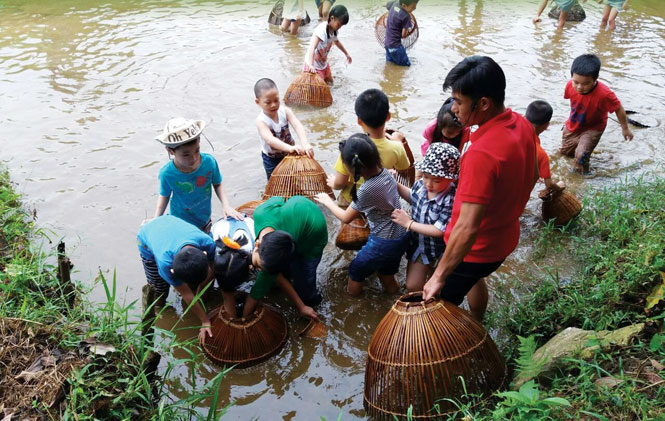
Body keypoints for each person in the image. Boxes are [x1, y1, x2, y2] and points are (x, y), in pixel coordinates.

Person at [422, 56, 538, 323]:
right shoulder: (522, 124)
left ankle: (449, 348)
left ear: (483, 103)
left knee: (437, 307)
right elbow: (531, 175)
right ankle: (477, 320)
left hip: (475, 250)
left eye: (459, 102)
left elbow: (467, 227)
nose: (453, 108)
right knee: (475, 280)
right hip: (505, 238)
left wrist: (438, 276)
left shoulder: (482, 154)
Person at [316, 134, 408, 296]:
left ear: (353, 169)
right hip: (399, 235)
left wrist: (327, 202)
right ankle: (395, 299)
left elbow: (346, 217)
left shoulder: (367, 189)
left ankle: (353, 303)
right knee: (386, 274)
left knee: (355, 271)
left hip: (382, 241)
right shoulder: (386, 173)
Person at [242, 196, 328, 321]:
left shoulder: (275, 254)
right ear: (257, 244)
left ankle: (311, 302)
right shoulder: (260, 213)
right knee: (287, 273)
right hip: (299, 204)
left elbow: (256, 293)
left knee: (305, 283)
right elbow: (278, 200)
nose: (259, 269)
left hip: (314, 235)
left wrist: (302, 306)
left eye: (259, 267)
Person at [153, 117, 242, 232]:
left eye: (197, 151)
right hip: (180, 224)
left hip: (204, 220)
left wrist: (226, 205)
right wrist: (156, 219)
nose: (194, 158)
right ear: (171, 151)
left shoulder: (209, 162)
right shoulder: (167, 174)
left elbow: (217, 184)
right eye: (186, 155)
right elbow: (164, 196)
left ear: (199, 141)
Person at [391, 143, 460, 292]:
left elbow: (439, 230)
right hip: (420, 246)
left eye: (436, 180)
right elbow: (412, 197)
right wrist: (395, 184)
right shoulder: (420, 186)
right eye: (425, 176)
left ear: (451, 179)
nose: (429, 184)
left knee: (440, 287)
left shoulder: (451, 199)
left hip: (442, 249)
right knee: (412, 286)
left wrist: (408, 223)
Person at [138, 215, 217, 342]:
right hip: (147, 238)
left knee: (193, 283)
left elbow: (214, 269)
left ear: (204, 254)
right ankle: (159, 308)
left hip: (169, 224)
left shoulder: (207, 243)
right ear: (173, 271)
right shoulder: (165, 263)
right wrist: (205, 320)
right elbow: (187, 294)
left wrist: (201, 289)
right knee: (159, 288)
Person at [328, 88, 411, 208]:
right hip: (379, 201)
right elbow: (404, 168)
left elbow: (341, 182)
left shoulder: (351, 147)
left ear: (359, 120)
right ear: (388, 116)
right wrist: (398, 142)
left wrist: (333, 184)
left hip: (351, 202)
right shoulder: (396, 148)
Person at [560, 54, 633, 174]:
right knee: (565, 153)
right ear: (572, 76)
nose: (579, 87)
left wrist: (625, 129)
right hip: (574, 123)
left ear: (595, 78)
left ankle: (580, 180)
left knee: (581, 156)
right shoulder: (569, 85)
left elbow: (619, 109)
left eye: (585, 83)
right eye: (576, 82)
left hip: (594, 127)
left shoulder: (605, 94)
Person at [254, 78, 313, 179]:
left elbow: (298, 126)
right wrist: (289, 148)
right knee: (275, 181)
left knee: (294, 177)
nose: (273, 105)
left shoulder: (285, 111)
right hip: (272, 158)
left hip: (290, 152)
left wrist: (305, 144)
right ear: (258, 102)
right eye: (268, 102)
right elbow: (270, 140)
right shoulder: (261, 121)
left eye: (276, 100)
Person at [210, 215, 255, 317]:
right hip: (223, 223)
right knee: (226, 288)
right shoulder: (216, 245)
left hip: (246, 221)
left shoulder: (252, 251)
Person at [304, 4, 351, 84]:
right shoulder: (321, 30)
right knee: (319, 88)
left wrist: (346, 54)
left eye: (341, 26)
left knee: (330, 82)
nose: (340, 27)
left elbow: (337, 42)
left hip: (323, 62)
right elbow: (312, 47)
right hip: (314, 64)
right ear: (332, 18)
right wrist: (311, 65)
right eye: (339, 24)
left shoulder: (334, 31)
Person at [525, 100, 565, 192]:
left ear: (524, 117)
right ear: (546, 125)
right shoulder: (541, 154)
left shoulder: (512, 135)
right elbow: (549, 184)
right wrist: (559, 186)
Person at [384, 0, 419, 67]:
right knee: (406, 66)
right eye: (413, 6)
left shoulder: (395, 3)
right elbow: (403, 35)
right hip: (396, 47)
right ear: (404, 5)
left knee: (390, 64)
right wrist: (408, 32)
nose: (415, 8)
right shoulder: (406, 17)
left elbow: (387, 5)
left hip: (387, 45)